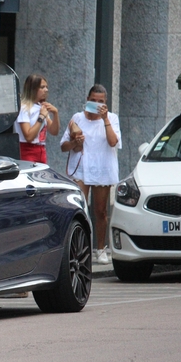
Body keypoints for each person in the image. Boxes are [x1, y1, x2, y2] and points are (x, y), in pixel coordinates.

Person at [60, 84, 121, 264]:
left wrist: (105, 119)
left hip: (102, 167)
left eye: (100, 101)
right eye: (93, 100)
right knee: (79, 208)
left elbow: (113, 142)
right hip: (81, 167)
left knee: (100, 210)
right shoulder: (77, 118)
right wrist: (74, 142)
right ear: (87, 99)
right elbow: (64, 146)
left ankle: (101, 248)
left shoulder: (112, 118)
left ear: (106, 102)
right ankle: (79, 248)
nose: (96, 104)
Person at [14, 74, 60, 163]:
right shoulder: (24, 108)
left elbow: (54, 131)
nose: (46, 90)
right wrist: (41, 117)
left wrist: (55, 114)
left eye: (46, 87)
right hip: (27, 150)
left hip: (41, 149)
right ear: (33, 89)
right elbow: (29, 136)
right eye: (42, 87)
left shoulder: (41, 106)